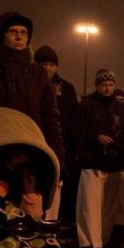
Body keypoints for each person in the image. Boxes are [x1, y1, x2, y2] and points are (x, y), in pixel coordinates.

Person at [0, 12, 66, 192]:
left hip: (31, 151)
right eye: (13, 31)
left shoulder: (37, 74)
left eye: (23, 32)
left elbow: (50, 118)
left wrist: (58, 159)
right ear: (3, 35)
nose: (19, 36)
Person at [76, 69, 124, 248]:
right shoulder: (86, 105)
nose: (107, 88)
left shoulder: (121, 108)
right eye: (103, 85)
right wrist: (95, 138)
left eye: (110, 85)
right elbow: (76, 131)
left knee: (109, 206)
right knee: (90, 205)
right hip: (93, 161)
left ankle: (103, 239)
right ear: (96, 86)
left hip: (115, 163)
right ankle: (90, 243)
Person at [34, 45, 81, 222]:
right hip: (36, 142)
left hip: (58, 145)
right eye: (43, 63)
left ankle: (51, 226)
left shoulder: (66, 89)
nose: (48, 68)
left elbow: (74, 122)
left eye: (52, 64)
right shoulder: (29, 84)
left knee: (55, 188)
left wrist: (73, 150)